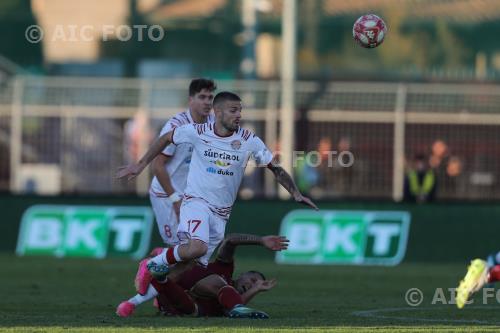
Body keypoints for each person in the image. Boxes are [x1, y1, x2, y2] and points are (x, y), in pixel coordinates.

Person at [117, 91, 318, 293]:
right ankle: (150, 265)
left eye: (240, 110)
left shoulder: (249, 140)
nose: (238, 115)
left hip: (221, 212)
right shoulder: (197, 131)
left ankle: (156, 296)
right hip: (196, 202)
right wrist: (140, 165)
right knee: (198, 248)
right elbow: (166, 138)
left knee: (190, 265)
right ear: (218, 112)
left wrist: (296, 193)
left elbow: (275, 168)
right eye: (233, 110)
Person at [116, 233, 288, 318]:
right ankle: (162, 263)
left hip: (183, 304)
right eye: (252, 280)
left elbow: (233, 308)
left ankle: (159, 271)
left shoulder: (228, 300)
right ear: (242, 274)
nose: (251, 285)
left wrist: (256, 290)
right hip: (175, 285)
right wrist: (261, 241)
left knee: (199, 306)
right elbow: (230, 240)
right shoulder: (225, 268)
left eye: (255, 285)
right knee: (194, 263)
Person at [149, 78, 216, 246]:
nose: (207, 102)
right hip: (166, 194)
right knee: (178, 246)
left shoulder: (213, 124)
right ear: (190, 100)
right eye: (202, 97)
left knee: (197, 246)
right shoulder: (176, 127)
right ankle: (150, 265)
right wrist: (175, 200)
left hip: (191, 197)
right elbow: (157, 165)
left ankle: (159, 262)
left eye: (210, 98)